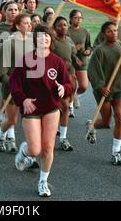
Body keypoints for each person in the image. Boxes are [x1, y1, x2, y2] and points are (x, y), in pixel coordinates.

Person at [10, 25, 73, 197]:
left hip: (51, 108)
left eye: (47, 37)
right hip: (32, 108)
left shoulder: (57, 61)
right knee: (35, 149)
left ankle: (43, 182)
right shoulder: (25, 60)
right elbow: (14, 84)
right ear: (35, 40)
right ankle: (24, 152)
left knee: (47, 148)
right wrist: (23, 99)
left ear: (51, 40)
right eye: (40, 36)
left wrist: (63, 89)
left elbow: (68, 84)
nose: (44, 39)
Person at [87, 21, 121, 165]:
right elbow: (92, 71)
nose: (114, 33)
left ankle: (116, 153)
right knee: (106, 122)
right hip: (103, 90)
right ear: (103, 34)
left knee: (120, 117)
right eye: (109, 31)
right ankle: (92, 126)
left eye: (115, 30)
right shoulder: (99, 50)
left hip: (119, 88)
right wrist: (100, 86)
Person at [0, 14, 33, 153]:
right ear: (17, 26)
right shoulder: (9, 43)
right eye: (26, 23)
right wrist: (10, 82)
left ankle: (28, 151)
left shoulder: (33, 43)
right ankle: (1, 135)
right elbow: (0, 68)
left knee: (30, 119)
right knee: (12, 120)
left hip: (29, 87)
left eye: (30, 23)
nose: (29, 25)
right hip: (11, 85)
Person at [52, 17, 77, 151]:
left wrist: (75, 64)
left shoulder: (69, 41)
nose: (63, 27)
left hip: (67, 77)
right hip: (53, 78)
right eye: (60, 25)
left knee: (65, 107)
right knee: (55, 108)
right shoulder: (52, 42)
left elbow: (72, 56)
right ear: (55, 28)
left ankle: (63, 138)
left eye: (65, 25)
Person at [68, 10, 92, 115]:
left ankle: (76, 96)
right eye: (76, 17)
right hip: (70, 62)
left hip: (82, 61)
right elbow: (64, 45)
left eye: (80, 18)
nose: (79, 19)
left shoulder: (85, 31)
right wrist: (74, 49)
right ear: (71, 19)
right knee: (72, 85)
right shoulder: (67, 31)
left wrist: (88, 51)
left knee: (84, 86)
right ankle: (70, 107)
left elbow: (89, 45)